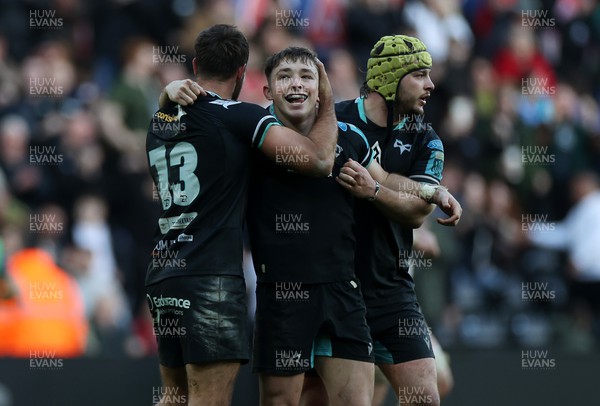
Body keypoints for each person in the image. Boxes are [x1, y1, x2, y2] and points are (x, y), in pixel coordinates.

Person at [162, 45, 461, 406]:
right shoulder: (251, 136)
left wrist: (432, 191)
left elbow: (388, 181)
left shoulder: (350, 136)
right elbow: (182, 134)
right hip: (281, 293)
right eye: (285, 76)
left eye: (307, 76)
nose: (296, 85)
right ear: (268, 91)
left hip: (344, 293)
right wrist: (168, 95)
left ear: (320, 87)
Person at [145, 24, 338, 406]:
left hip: (164, 275)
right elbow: (319, 160)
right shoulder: (239, 116)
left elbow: (175, 117)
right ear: (242, 72)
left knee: (173, 399)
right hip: (210, 279)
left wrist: (166, 96)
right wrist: (327, 100)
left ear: (196, 63)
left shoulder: (158, 122)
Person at [331, 34, 461, 406]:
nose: (430, 85)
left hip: (391, 289)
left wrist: (373, 191)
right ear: (389, 78)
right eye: (419, 74)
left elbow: (418, 212)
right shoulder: (334, 120)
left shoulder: (428, 140)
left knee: (426, 397)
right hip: (333, 287)